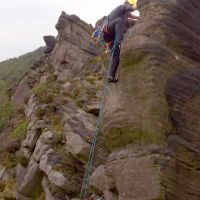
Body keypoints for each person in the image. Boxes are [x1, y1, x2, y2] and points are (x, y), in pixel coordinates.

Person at [103, 0, 139, 82]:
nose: (129, 11)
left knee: (116, 55)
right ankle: (120, 41)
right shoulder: (122, 7)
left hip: (110, 38)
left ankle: (110, 76)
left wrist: (138, 18)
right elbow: (131, 8)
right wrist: (140, 3)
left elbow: (130, 15)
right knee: (119, 21)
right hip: (107, 31)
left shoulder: (125, 13)